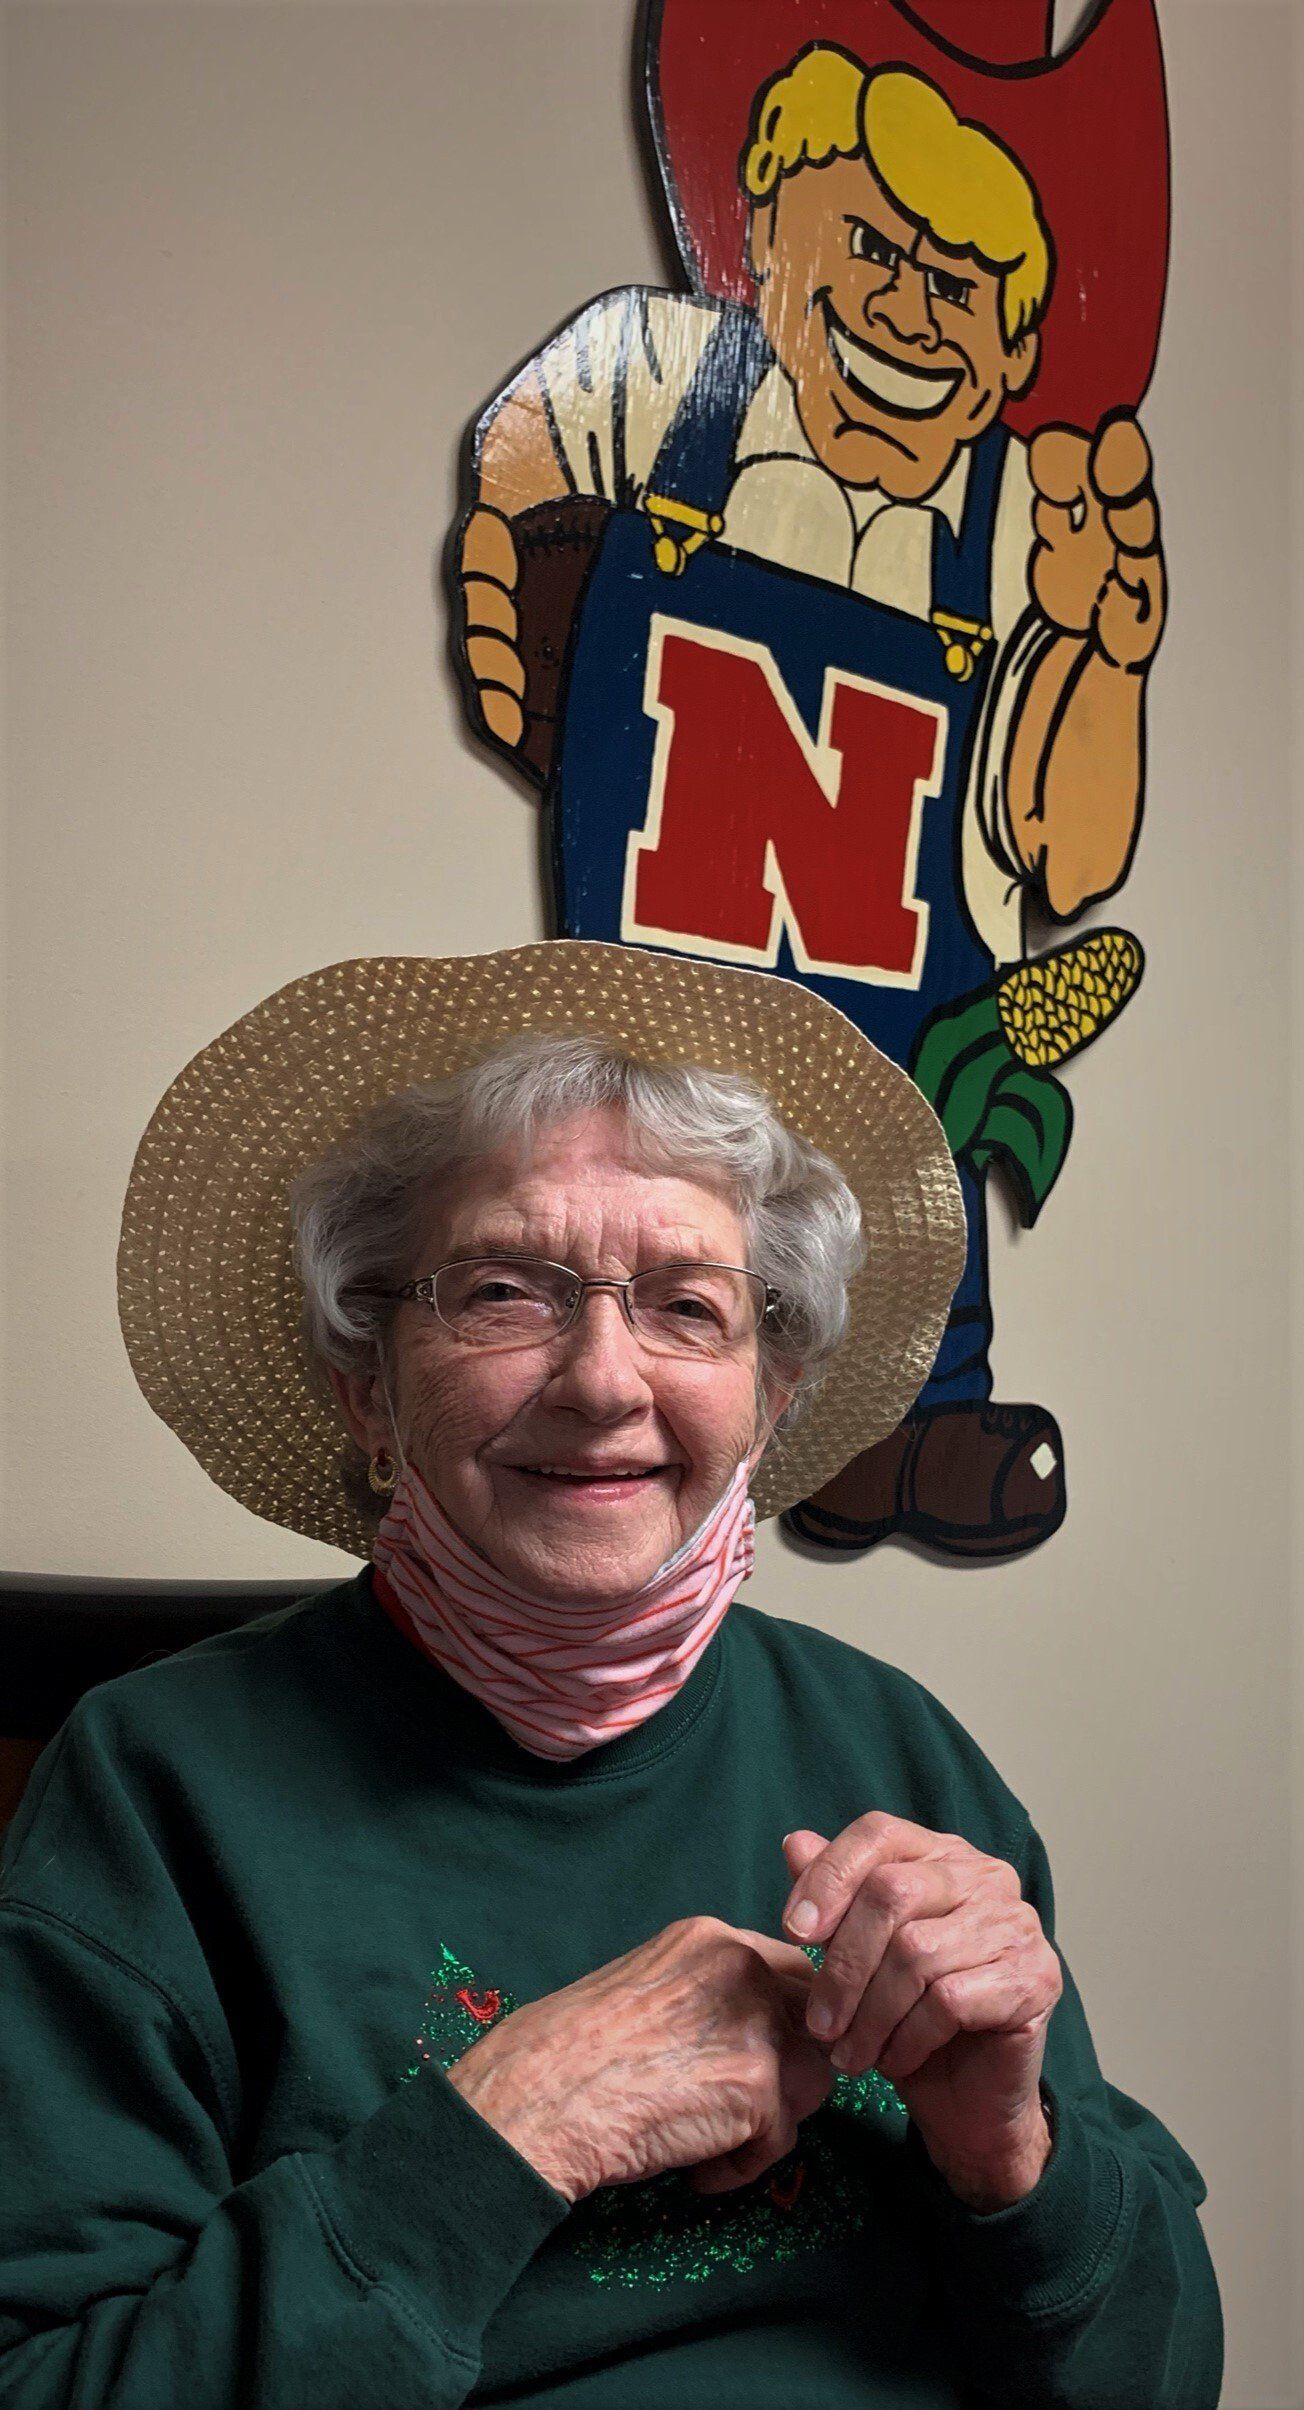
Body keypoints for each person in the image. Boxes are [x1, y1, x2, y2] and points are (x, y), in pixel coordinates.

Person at [1, 941, 1220, 2407]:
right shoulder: (150, 1785)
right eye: (505, 1289)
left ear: (769, 1399)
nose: (601, 1377)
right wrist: (521, 2116)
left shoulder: (900, 1750)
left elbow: (1160, 2375)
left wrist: (1009, 2151)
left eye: (687, 1304)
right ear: (365, 1388)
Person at [457, 40, 1167, 1560]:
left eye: (965, 284)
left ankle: (914, 1409)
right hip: (670, 996)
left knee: (920, 1170)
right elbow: (521, 453)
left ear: (1016, 347)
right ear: (761, 229)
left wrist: (1106, 652)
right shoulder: (658, 374)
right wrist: (505, 577)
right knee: (644, 1214)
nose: (915, 304)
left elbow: (1069, 842)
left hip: (895, 1015)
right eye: (879, 246)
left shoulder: (1020, 520)